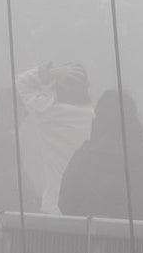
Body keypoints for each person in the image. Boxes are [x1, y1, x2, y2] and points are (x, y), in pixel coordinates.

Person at [58, 90, 143, 220]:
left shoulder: (83, 156)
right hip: (135, 245)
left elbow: (64, 204)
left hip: (90, 243)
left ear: (99, 120)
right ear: (131, 120)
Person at [14, 62, 95, 213]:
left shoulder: (47, 112)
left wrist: (50, 73)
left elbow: (22, 83)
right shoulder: (97, 119)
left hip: (54, 206)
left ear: (57, 89)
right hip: (87, 206)